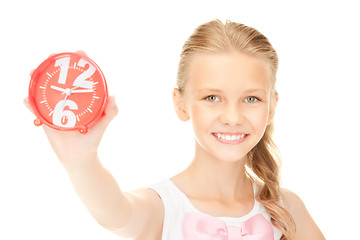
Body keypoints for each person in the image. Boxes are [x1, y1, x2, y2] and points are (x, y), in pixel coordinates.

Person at [25, 20, 325, 240]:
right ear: (180, 104)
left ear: (271, 107)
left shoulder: (287, 209)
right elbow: (114, 212)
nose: (233, 117)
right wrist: (80, 161)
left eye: (251, 98)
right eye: (212, 98)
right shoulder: (163, 208)